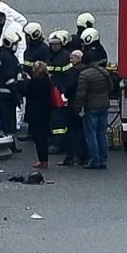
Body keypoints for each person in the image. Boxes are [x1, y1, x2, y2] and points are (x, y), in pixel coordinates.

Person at [49, 30, 84, 167]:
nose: (54, 47)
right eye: (53, 44)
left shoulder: (64, 57)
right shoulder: (52, 56)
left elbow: (68, 78)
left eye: (57, 44)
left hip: (60, 94)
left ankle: (60, 145)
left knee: (61, 122)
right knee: (57, 121)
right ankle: (64, 148)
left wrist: (63, 92)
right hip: (54, 92)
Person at [75, 50, 114, 170]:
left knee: (91, 134)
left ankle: (94, 160)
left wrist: (77, 106)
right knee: (102, 133)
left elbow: (81, 94)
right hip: (104, 104)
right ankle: (103, 159)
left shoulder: (84, 75)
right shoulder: (104, 71)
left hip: (91, 107)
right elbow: (111, 87)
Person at [0, 27, 24, 138]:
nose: (16, 46)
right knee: (9, 121)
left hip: (1, 92)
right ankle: (10, 143)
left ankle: (6, 141)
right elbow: (10, 79)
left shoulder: (1, 54)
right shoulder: (9, 58)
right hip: (8, 94)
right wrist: (16, 94)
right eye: (15, 43)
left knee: (4, 119)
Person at [23, 60, 53, 168]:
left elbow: (26, 91)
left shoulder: (35, 82)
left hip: (36, 113)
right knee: (43, 137)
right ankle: (44, 160)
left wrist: (25, 80)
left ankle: (42, 160)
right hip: (45, 112)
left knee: (39, 138)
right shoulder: (47, 81)